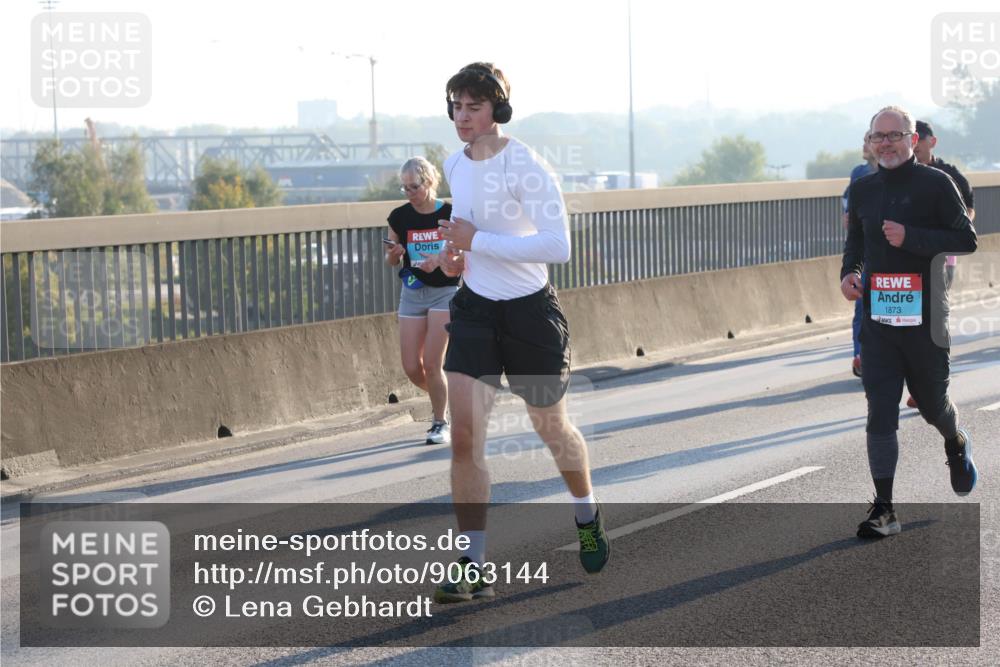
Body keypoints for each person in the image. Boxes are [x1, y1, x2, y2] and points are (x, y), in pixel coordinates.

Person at [431, 62, 609, 603]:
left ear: (498, 111)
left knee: (550, 428)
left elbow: (558, 247)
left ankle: (586, 514)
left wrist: (476, 239)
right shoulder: (453, 164)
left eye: (474, 107)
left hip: (530, 311)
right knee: (464, 436)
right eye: (457, 106)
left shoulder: (527, 165)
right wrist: (454, 256)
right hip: (476, 311)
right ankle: (473, 563)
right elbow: (464, 240)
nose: (463, 117)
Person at [841, 106, 978, 539]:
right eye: (878, 136)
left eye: (895, 135)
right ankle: (885, 510)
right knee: (880, 411)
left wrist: (912, 237)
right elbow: (855, 243)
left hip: (927, 320)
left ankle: (955, 442)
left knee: (932, 404)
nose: (886, 143)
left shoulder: (937, 184)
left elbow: (966, 239)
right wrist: (850, 273)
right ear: (870, 142)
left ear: (913, 139)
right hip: (878, 320)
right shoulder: (863, 188)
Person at [385, 157, 459, 445]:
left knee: (431, 362)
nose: (409, 194)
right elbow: (391, 259)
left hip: (445, 291)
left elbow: (463, 254)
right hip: (413, 292)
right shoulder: (399, 216)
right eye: (404, 188)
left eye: (414, 187)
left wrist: (440, 260)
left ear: (429, 182)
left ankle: (440, 421)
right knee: (411, 367)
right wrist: (393, 254)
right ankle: (449, 401)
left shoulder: (450, 213)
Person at [905, 120, 976, 408]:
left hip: (940, 259)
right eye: (912, 138)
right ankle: (917, 385)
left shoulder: (949, 175)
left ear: (931, 142)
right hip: (906, 258)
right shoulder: (900, 175)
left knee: (934, 317)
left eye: (919, 139)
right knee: (907, 321)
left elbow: (968, 211)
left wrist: (949, 228)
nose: (916, 144)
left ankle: (933, 385)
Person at [844, 143, 878, 378]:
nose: (868, 144)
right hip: (868, 255)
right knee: (862, 307)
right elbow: (849, 218)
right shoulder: (859, 176)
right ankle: (862, 356)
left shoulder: (926, 177)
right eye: (872, 137)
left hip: (907, 262)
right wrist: (848, 270)